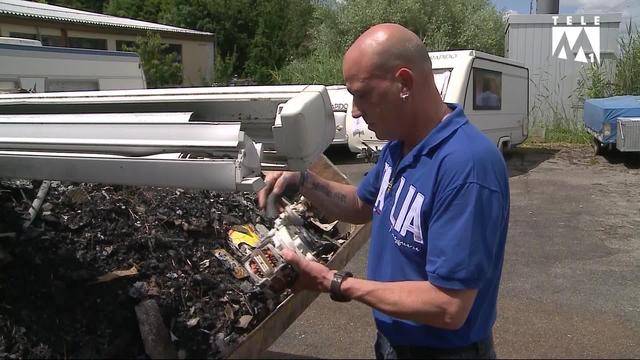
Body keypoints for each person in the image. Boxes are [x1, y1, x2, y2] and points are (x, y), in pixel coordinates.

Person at [257, 23, 509, 359]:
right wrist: (302, 180)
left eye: (361, 94)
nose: (356, 112)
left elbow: (449, 306)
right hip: (394, 342)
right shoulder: (399, 145)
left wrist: (335, 282)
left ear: (404, 84)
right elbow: (362, 203)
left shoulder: (467, 166)